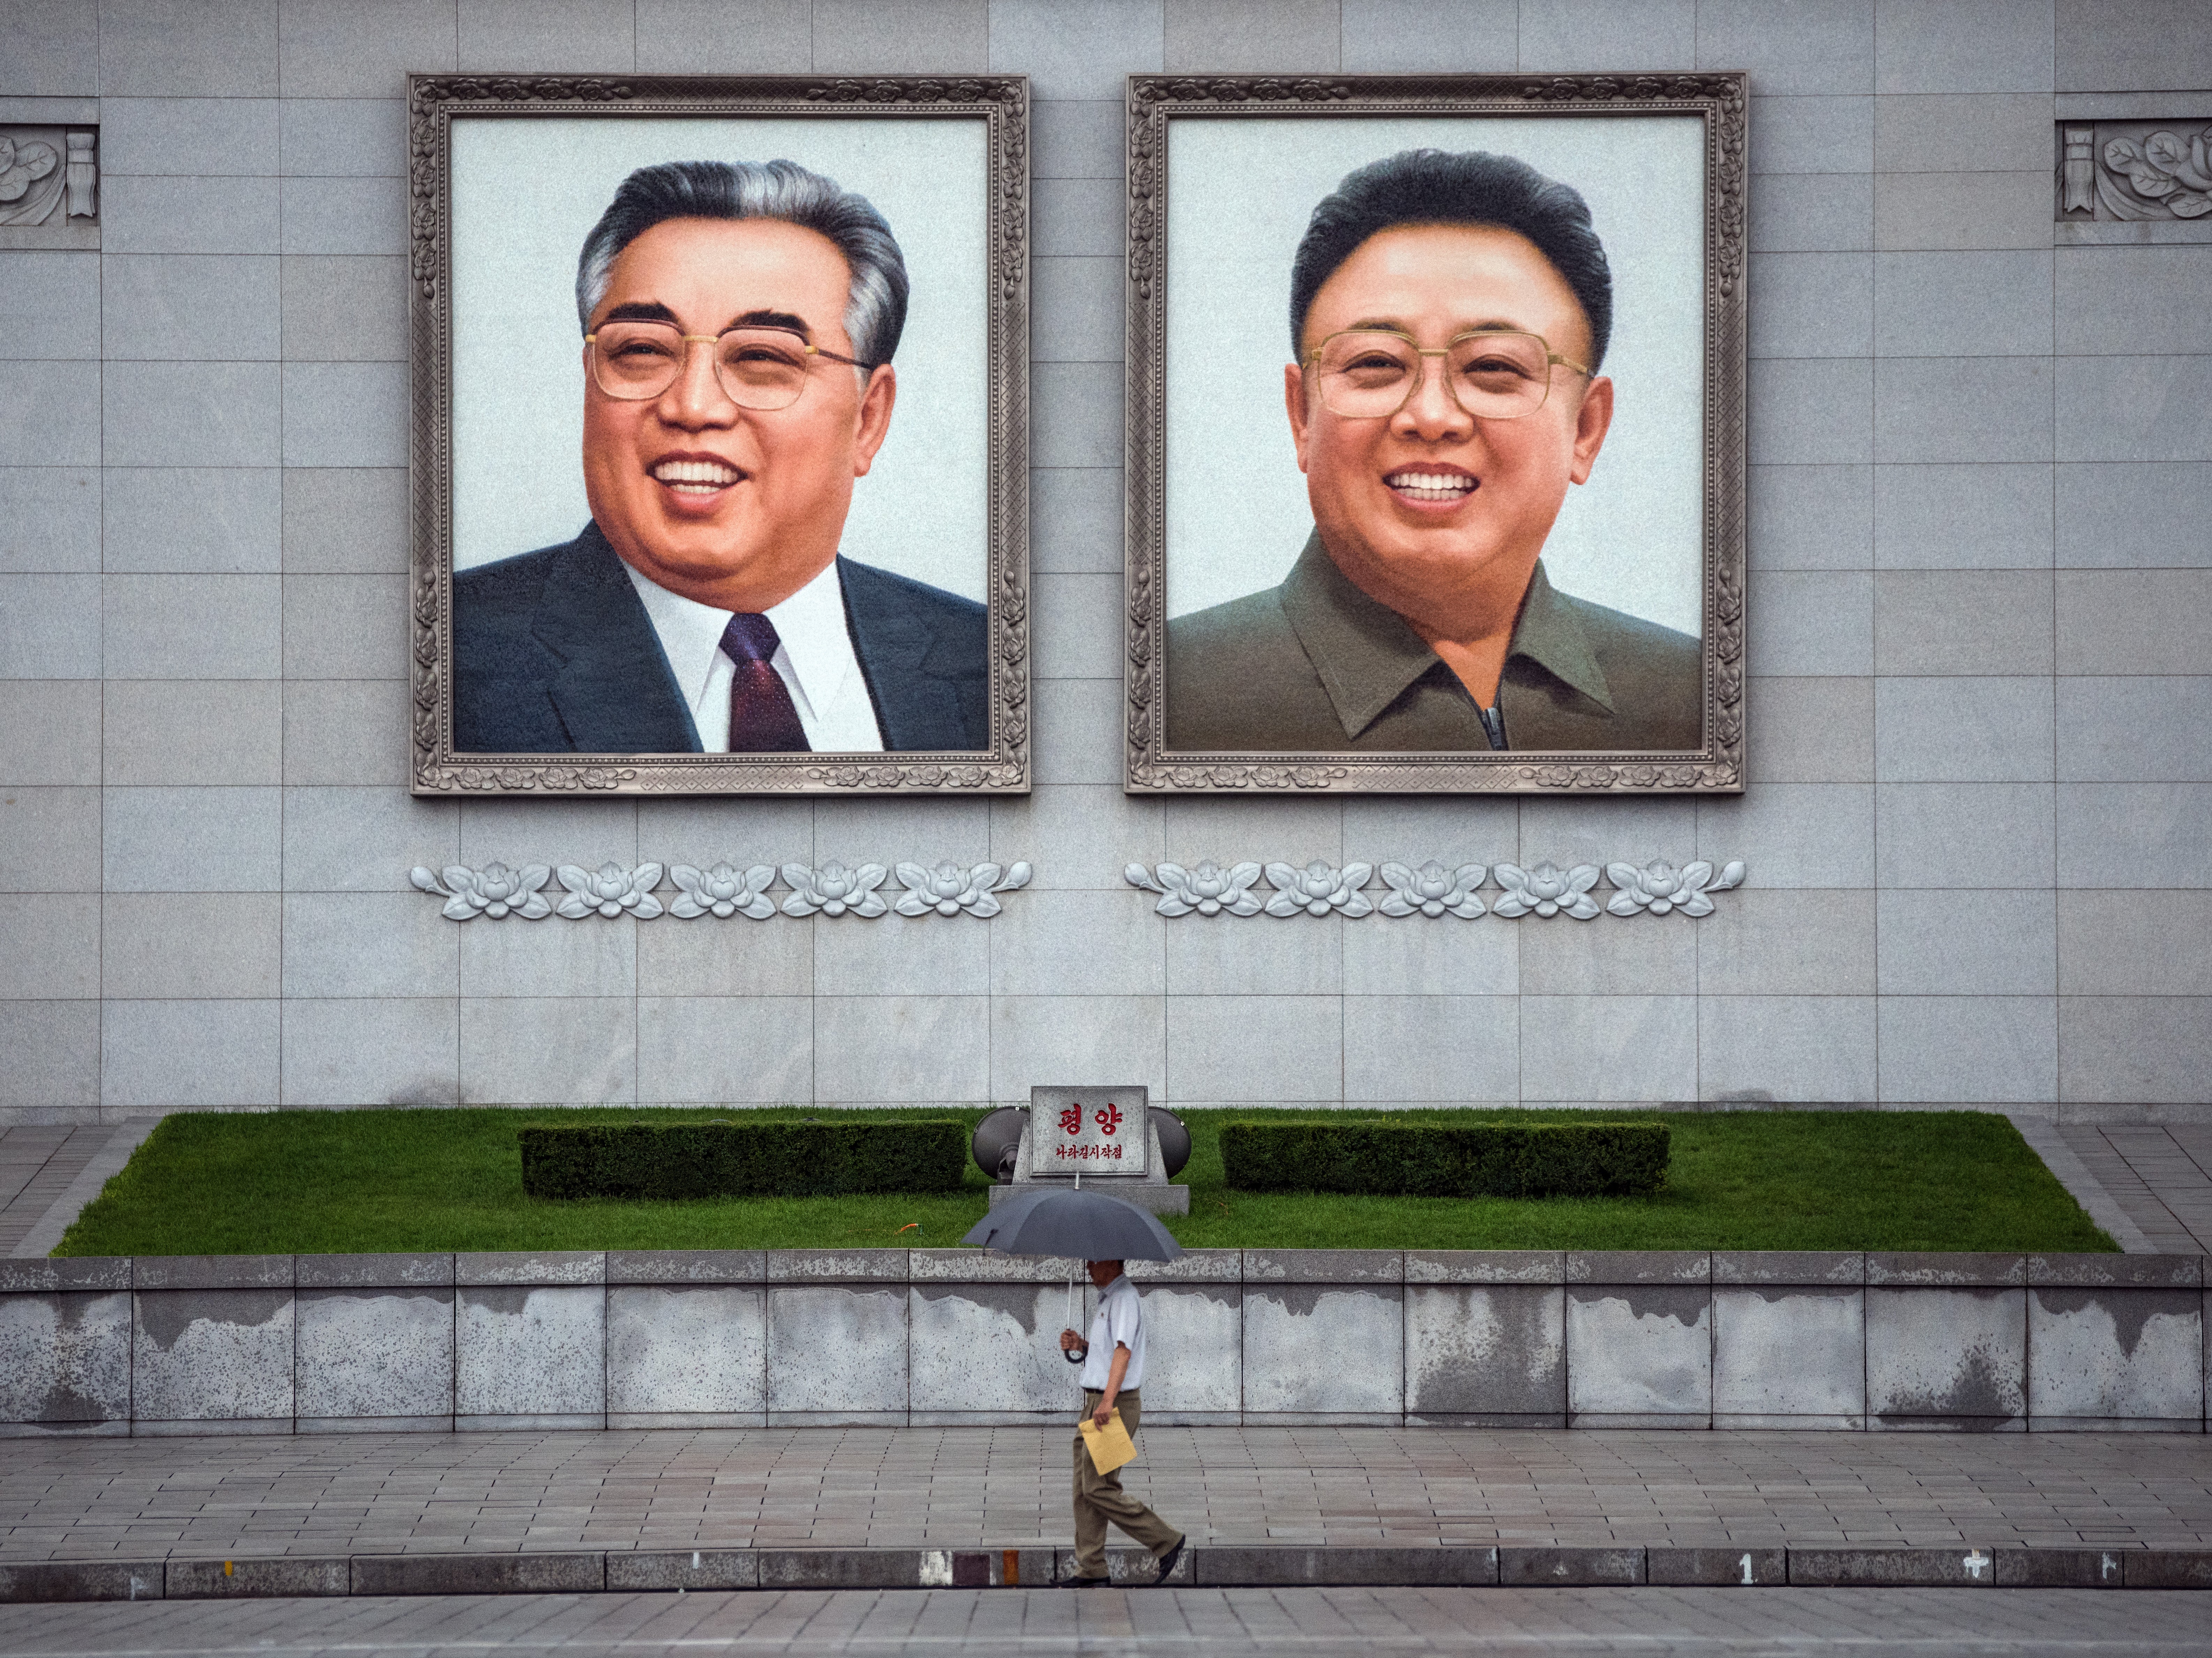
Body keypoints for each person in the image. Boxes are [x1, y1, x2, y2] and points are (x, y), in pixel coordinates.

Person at [1166, 149, 1701, 753]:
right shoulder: (1168, 694)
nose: (1431, 416)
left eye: (1494, 367)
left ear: (1585, 429)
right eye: (1376, 363)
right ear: (1302, 417)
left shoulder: (1691, 696)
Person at [453, 159, 989, 754]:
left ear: (868, 419)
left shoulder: (986, 660)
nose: (693, 406)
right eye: (641, 350)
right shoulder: (448, 658)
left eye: (762, 357)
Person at [1056, 1257, 1186, 1587]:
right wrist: (1080, 1346)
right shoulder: (1108, 1300)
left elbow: (1124, 1353)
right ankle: (1092, 1568)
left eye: (1093, 1261)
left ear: (1112, 1261)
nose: (1087, 1267)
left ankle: (1165, 1540)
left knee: (1099, 1487)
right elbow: (1107, 1353)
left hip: (1112, 1404)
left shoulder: (1125, 1298)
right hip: (1095, 1402)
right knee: (1083, 1490)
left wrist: (1109, 1402)